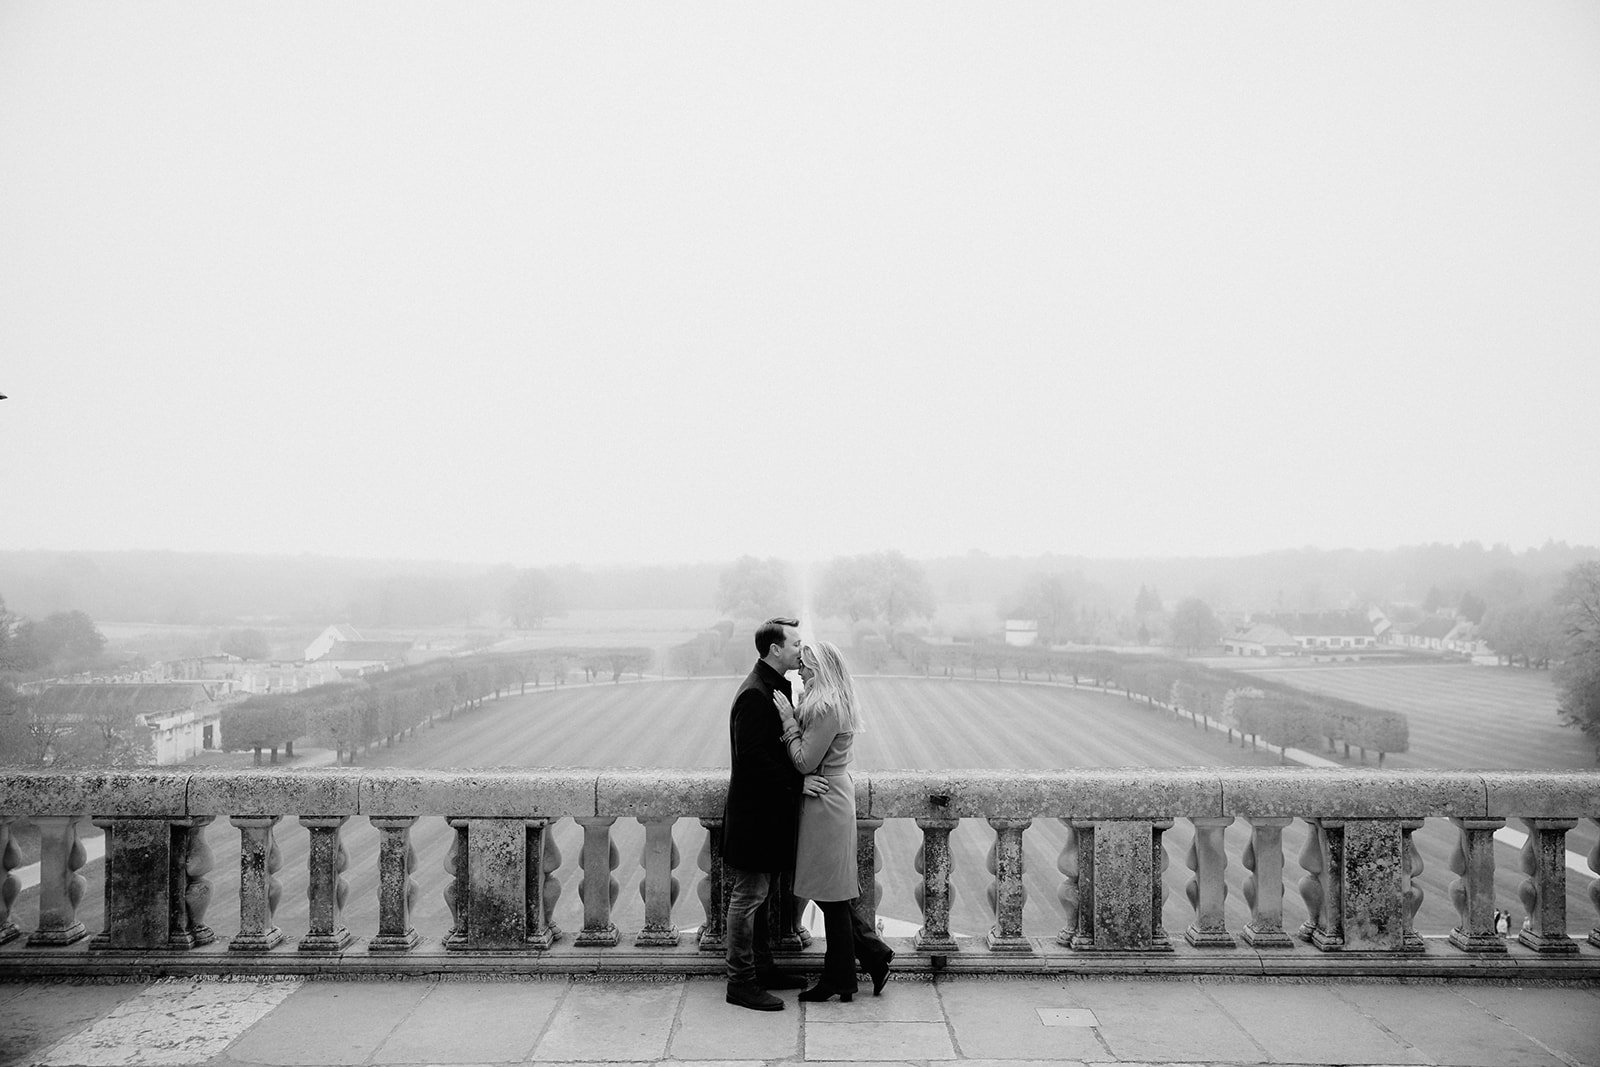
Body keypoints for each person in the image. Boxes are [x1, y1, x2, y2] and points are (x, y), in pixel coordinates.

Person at [774, 640, 894, 1002]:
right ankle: (868, 959)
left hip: (825, 800)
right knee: (832, 895)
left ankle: (844, 975)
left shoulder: (826, 708)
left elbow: (804, 762)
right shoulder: (830, 703)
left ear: (821, 671)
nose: (800, 671)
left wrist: (788, 723)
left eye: (806, 667)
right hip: (830, 797)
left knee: (831, 894)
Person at [722, 616, 831, 1012]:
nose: (801, 650)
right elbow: (752, 759)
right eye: (795, 644)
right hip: (755, 816)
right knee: (748, 896)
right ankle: (741, 982)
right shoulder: (756, 693)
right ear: (775, 650)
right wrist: (798, 783)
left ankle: (763, 969)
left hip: (766, 814)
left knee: (761, 895)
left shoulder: (772, 688)